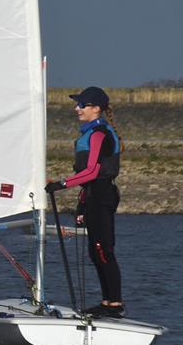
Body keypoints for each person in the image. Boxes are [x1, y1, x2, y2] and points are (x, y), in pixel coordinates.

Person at [45, 86, 125, 319]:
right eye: (78, 104)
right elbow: (88, 180)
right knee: (94, 251)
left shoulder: (100, 133)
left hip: (102, 196)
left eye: (82, 105)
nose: (76, 108)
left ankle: (115, 305)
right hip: (92, 195)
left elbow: (91, 172)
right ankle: (107, 302)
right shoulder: (89, 133)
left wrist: (59, 184)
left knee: (103, 250)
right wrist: (81, 206)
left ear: (96, 109)